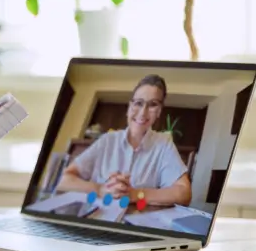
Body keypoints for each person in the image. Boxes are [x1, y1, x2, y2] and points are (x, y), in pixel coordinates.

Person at [55, 74, 192, 208]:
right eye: (138, 103)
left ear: (159, 112)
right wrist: (100, 189)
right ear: (129, 107)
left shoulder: (164, 144)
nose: (142, 113)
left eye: (152, 105)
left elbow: (184, 193)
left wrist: (135, 194)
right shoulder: (107, 140)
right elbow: (64, 180)